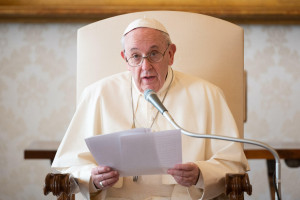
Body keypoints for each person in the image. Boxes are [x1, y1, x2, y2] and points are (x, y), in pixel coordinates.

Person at [52, 18, 249, 200]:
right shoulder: (98, 94)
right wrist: (92, 178)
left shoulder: (207, 94)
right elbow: (68, 167)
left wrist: (201, 174)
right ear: (125, 58)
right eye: (135, 56)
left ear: (170, 54)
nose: (145, 66)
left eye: (154, 54)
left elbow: (233, 164)